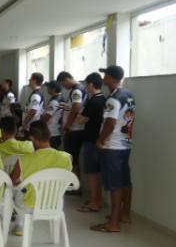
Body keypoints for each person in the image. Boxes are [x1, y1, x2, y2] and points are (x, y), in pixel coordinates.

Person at [91, 66, 135, 233]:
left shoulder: (113, 99)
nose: (103, 78)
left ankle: (113, 223)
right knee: (125, 181)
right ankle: (125, 215)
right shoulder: (129, 95)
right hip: (125, 144)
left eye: (105, 75)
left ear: (110, 77)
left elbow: (110, 123)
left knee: (115, 184)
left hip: (113, 146)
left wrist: (100, 140)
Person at [10, 121, 72, 236]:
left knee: (18, 191)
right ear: (50, 135)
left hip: (29, 205)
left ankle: (20, 224)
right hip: (54, 203)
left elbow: (13, 181)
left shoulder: (24, 160)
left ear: (32, 139)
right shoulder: (66, 157)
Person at [76, 72, 107, 213]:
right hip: (101, 140)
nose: (85, 88)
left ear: (91, 85)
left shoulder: (92, 101)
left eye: (86, 85)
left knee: (92, 173)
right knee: (98, 173)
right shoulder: (104, 99)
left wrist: (78, 113)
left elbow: (81, 120)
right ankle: (98, 200)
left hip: (90, 140)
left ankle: (94, 203)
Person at [57, 71, 87, 180]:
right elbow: (74, 107)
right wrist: (66, 106)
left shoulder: (77, 90)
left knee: (71, 158)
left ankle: (74, 186)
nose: (63, 87)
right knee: (72, 158)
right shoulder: (79, 89)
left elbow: (76, 108)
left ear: (66, 79)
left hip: (74, 130)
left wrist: (68, 126)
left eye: (63, 84)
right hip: (76, 129)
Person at [41, 81, 64, 149]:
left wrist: (40, 120)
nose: (47, 89)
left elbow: (47, 116)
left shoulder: (55, 101)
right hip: (55, 131)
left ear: (53, 89)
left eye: (48, 88)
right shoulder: (59, 98)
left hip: (52, 132)